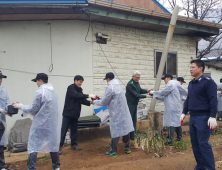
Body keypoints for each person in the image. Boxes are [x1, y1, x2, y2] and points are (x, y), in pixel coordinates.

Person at [13, 73, 61, 170]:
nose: (36, 83)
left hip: (40, 125)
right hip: (51, 125)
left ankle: (32, 168)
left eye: (36, 81)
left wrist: (20, 106)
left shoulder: (39, 92)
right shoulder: (53, 93)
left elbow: (33, 109)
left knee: (32, 147)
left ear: (40, 80)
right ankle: (56, 167)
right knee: (53, 146)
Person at [181, 59, 217, 170]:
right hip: (193, 117)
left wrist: (212, 116)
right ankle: (200, 166)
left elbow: (213, 99)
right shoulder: (191, 84)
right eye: (190, 67)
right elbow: (189, 99)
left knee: (203, 144)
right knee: (195, 144)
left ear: (200, 68)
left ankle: (210, 168)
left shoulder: (208, 82)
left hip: (203, 117)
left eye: (193, 67)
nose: (190, 69)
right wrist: (183, 112)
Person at [92, 72, 134, 157]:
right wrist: (100, 98)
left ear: (108, 79)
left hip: (116, 113)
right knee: (125, 128)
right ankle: (127, 148)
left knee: (115, 130)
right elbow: (111, 98)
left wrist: (95, 101)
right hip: (123, 111)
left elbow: (105, 101)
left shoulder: (110, 87)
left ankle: (113, 151)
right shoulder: (119, 86)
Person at [59, 75, 96, 154]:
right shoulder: (70, 88)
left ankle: (74, 144)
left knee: (74, 130)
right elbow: (76, 95)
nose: (81, 83)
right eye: (80, 81)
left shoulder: (80, 89)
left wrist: (91, 102)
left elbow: (82, 100)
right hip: (68, 113)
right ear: (75, 80)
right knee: (64, 130)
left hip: (75, 114)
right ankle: (59, 146)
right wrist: (88, 95)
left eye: (82, 82)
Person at [150, 73, 188, 145]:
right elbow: (166, 97)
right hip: (176, 107)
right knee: (177, 122)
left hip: (172, 107)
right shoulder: (176, 84)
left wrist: (154, 92)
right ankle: (179, 137)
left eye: (164, 79)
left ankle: (169, 140)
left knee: (171, 123)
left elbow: (163, 92)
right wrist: (155, 96)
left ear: (167, 78)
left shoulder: (170, 84)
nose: (164, 81)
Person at [125, 71, 149, 140]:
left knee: (134, 120)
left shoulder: (136, 83)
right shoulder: (130, 84)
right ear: (133, 77)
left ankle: (133, 135)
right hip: (130, 104)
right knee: (130, 120)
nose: (138, 79)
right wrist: (147, 96)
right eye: (136, 77)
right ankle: (127, 136)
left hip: (135, 104)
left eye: (139, 77)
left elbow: (140, 90)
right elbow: (136, 94)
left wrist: (148, 91)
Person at [0, 71, 12, 170]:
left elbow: (7, 102)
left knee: (0, 145)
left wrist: (10, 110)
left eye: (1, 78)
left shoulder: (3, 90)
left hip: (1, 122)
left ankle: (2, 166)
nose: (0, 80)